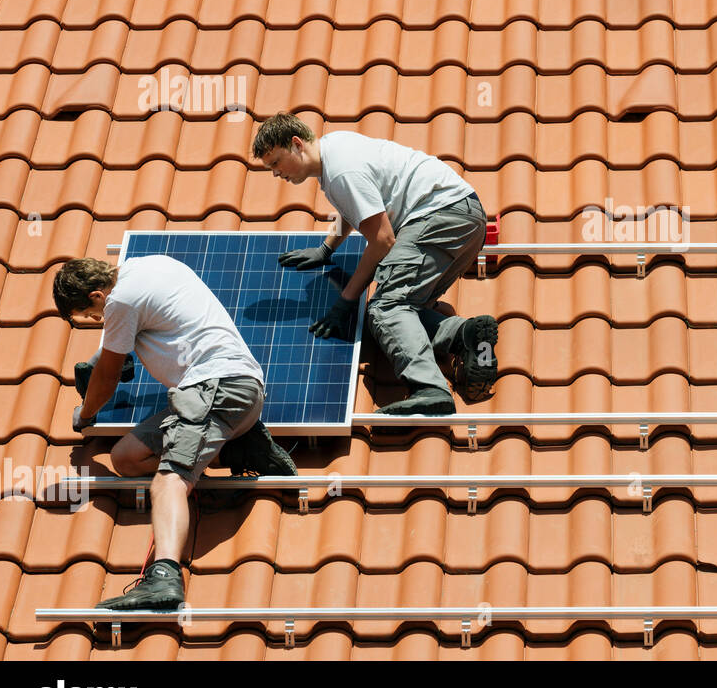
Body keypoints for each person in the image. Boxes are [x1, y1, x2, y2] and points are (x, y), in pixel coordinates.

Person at [53, 257, 297, 610]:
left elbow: (107, 376)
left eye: (92, 315)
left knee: (170, 481)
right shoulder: (149, 265)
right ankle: (242, 449)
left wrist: (85, 413)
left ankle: (165, 577)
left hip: (216, 389)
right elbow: (147, 325)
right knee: (126, 458)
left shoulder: (119, 302)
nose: (98, 321)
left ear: (96, 294)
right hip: (223, 393)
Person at [252, 114, 497, 415]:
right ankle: (464, 334)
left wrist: (346, 300)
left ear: (296, 144)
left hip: (438, 216)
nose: (276, 173)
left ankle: (429, 389)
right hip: (466, 219)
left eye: (276, 163)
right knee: (406, 311)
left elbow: (382, 240)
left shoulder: (341, 171)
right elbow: (357, 205)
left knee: (385, 309)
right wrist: (326, 249)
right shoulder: (334, 149)